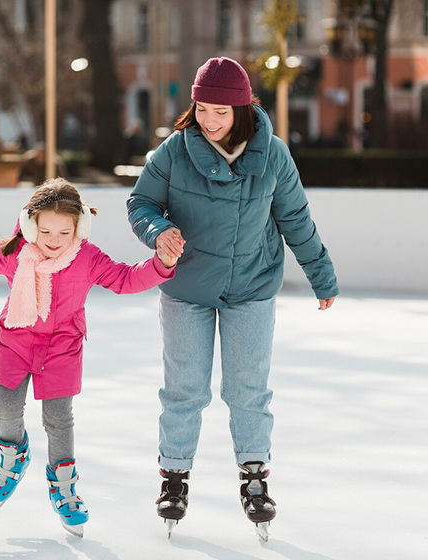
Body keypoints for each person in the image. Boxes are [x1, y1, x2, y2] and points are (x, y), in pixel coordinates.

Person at [0, 178, 177, 538]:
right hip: (15, 339)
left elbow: (125, 279)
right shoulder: (13, 252)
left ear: (78, 228)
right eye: (45, 231)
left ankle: (64, 486)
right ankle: (14, 455)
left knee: (59, 419)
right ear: (30, 225)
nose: (54, 240)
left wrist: (161, 263)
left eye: (64, 231)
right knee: (5, 408)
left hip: (62, 346)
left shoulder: (87, 257)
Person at [127, 57, 338, 540]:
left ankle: (254, 476)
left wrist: (320, 275)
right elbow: (140, 203)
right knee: (184, 389)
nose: (210, 120)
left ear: (242, 109)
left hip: (252, 286)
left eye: (221, 111)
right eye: (202, 109)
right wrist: (158, 231)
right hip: (187, 288)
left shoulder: (275, 154)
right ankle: (174, 476)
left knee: (248, 389)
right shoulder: (175, 151)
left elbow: (296, 220)